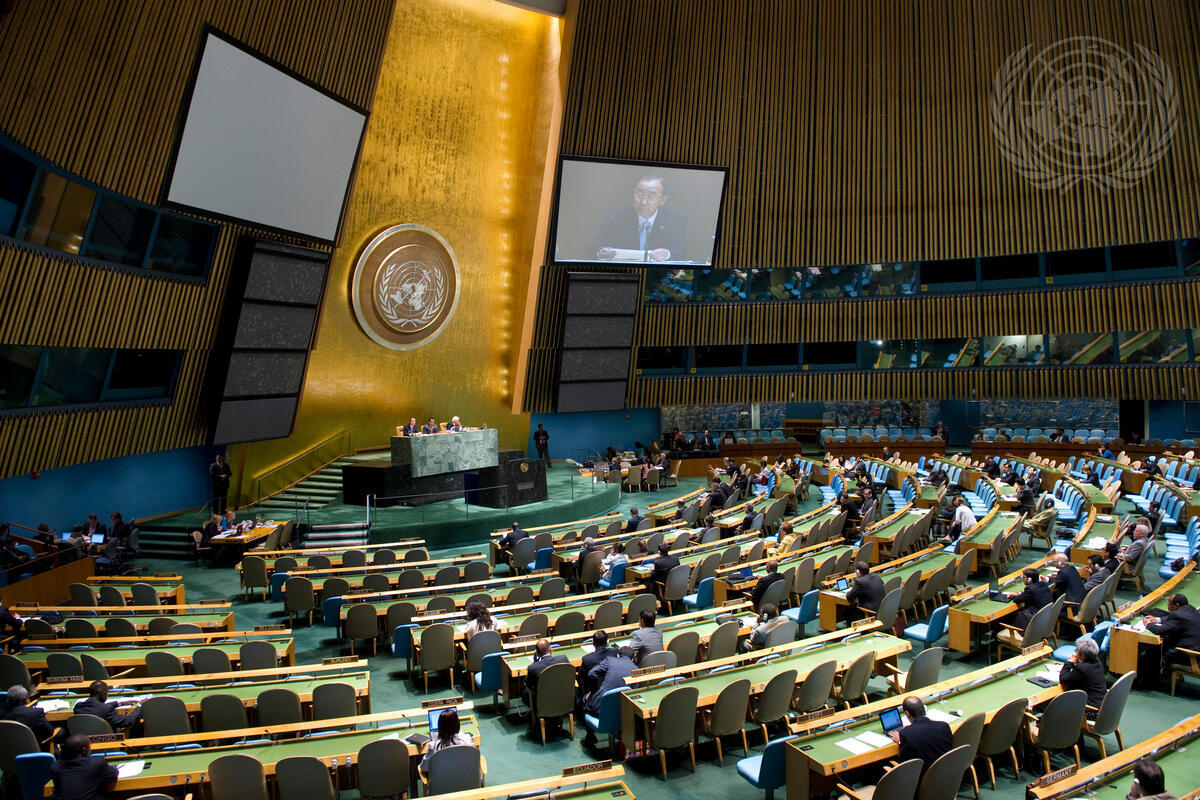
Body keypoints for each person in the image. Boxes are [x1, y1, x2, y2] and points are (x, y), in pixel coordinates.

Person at [592, 174, 686, 262]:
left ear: (662, 200)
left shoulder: (675, 219)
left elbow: (682, 251)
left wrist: (667, 254)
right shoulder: (614, 216)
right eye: (639, 194)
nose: (643, 201)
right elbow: (597, 245)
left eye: (651, 196)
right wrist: (603, 251)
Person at [889, 696, 953, 775]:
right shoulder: (944, 726)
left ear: (907, 714)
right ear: (924, 709)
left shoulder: (906, 734)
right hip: (949, 775)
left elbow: (905, 763)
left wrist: (900, 742)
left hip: (924, 782)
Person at [50, 735, 117, 800]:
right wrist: (114, 769)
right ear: (84, 750)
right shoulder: (97, 763)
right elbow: (112, 776)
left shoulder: (55, 766)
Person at [1145, 594, 1200, 673]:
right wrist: (1157, 619)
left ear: (1176, 605)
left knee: (1153, 651)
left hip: (1190, 656)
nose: (1168, 606)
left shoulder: (1177, 616)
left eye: (1169, 604)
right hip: (1197, 650)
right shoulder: (1192, 609)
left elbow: (1160, 630)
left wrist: (1147, 624)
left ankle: (1151, 679)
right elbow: (1172, 618)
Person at [418, 707, 477, 778]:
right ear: (458, 724)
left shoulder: (434, 746)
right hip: (468, 785)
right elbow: (473, 762)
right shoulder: (467, 739)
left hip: (442, 787)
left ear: (440, 727)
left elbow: (424, 768)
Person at [1059, 636, 1108, 718]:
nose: (1075, 653)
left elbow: (1063, 679)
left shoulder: (1081, 669)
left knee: (1058, 704)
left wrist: (1068, 663)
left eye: (1077, 651)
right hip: (1103, 709)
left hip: (1090, 712)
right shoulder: (1098, 662)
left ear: (1083, 656)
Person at [583, 645, 636, 718]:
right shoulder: (636, 670)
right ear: (633, 659)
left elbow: (591, 674)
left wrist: (592, 691)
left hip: (599, 709)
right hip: (621, 713)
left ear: (617, 655)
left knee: (585, 698)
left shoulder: (610, 660)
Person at [73, 681, 140, 730]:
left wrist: (119, 703)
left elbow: (97, 708)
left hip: (86, 740)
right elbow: (127, 722)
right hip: (106, 739)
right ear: (102, 694)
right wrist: (139, 706)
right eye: (106, 693)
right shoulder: (107, 709)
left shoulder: (78, 707)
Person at [524, 639, 569, 708]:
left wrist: (535, 663)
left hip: (544, 703)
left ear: (537, 653)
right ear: (550, 649)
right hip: (563, 698)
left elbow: (527, 684)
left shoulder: (533, 668)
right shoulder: (563, 659)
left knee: (525, 693)